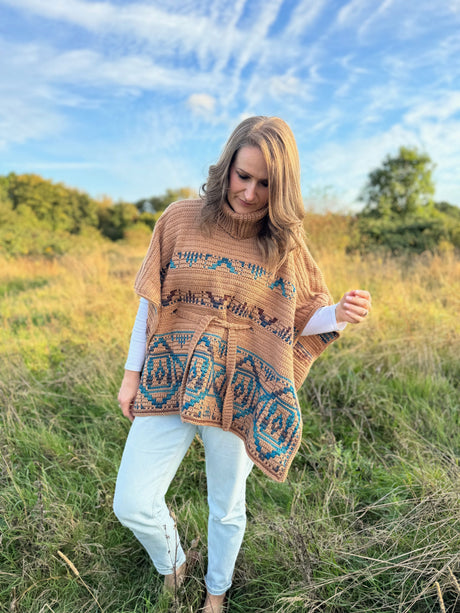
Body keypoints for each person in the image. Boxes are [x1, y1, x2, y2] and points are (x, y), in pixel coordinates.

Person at [113, 116, 371, 612]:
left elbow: (297, 317)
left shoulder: (285, 244)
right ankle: (173, 562)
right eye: (243, 175)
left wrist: (338, 313)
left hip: (240, 388)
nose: (250, 194)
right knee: (132, 501)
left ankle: (216, 592)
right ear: (227, 164)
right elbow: (151, 303)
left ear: (282, 187)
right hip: (169, 375)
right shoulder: (179, 219)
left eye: (265, 184)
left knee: (227, 505)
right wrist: (131, 374)